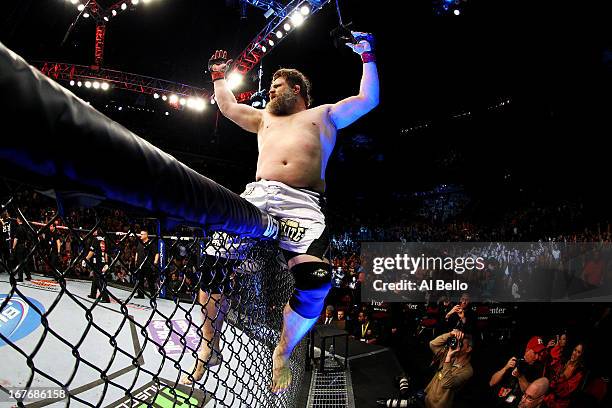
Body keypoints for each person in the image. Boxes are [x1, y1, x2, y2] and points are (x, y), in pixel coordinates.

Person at [182, 30, 378, 393]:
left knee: (316, 280)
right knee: (212, 267)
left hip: (302, 202)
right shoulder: (262, 119)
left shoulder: (325, 115)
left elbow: (368, 99)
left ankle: (283, 351)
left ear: (298, 90)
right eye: (270, 85)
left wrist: (366, 55)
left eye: (277, 84)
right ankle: (209, 346)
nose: (270, 90)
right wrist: (217, 75)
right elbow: (226, 106)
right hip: (256, 197)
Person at [490, 336, 547, 406]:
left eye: (540, 354)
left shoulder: (538, 367)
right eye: (535, 353)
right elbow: (492, 383)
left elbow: (529, 394)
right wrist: (505, 368)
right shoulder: (514, 359)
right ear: (527, 350)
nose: (537, 357)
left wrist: (520, 376)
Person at [424, 329, 474, 408]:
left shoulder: (467, 371)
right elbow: (432, 344)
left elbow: (446, 383)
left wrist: (448, 358)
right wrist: (450, 334)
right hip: (428, 398)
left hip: (440, 405)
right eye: (457, 341)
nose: (457, 345)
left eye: (460, 344)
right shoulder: (450, 354)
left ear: (468, 349)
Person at [543, 343, 585, 408]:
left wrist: (563, 377)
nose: (575, 353)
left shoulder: (578, 372)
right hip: (549, 399)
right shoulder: (564, 362)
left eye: (578, 352)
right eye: (575, 350)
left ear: (582, 355)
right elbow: (552, 367)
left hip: (559, 404)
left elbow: (564, 392)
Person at [86, 230, 110, 303]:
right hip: (102, 262)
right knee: (95, 278)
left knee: (98, 279)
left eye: (95, 230)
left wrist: (86, 259)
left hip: (97, 262)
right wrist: (106, 263)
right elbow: (105, 253)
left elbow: (92, 251)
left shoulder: (96, 239)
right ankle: (93, 294)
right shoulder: (104, 240)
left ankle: (105, 297)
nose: (93, 231)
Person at [134, 229, 159, 299]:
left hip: (148, 265)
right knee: (139, 280)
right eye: (140, 234)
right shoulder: (140, 243)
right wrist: (135, 259)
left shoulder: (151, 243)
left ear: (146, 235)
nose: (140, 235)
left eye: (142, 234)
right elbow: (137, 251)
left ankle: (153, 295)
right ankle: (140, 294)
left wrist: (155, 262)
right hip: (140, 265)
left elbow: (156, 253)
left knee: (150, 280)